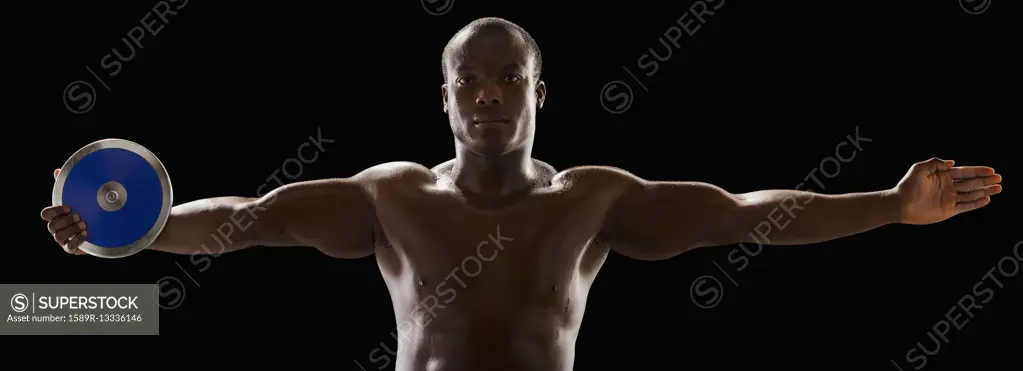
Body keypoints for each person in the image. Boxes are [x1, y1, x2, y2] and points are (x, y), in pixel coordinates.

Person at [41, 17, 1002, 371]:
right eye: (470, 80)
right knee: (52, 320)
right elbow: (241, 223)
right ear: (445, 95)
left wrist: (887, 204)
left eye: (508, 79)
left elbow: (748, 215)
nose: (489, 95)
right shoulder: (388, 197)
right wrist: (114, 241)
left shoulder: (592, 200)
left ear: (540, 93)